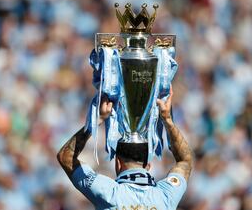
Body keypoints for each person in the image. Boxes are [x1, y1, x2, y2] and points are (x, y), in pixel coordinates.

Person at [57, 88, 193, 210]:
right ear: (148, 165)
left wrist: (98, 119)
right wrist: (167, 120)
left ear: (117, 163)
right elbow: (185, 161)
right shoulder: (166, 194)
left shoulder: (107, 191)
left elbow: (65, 157)